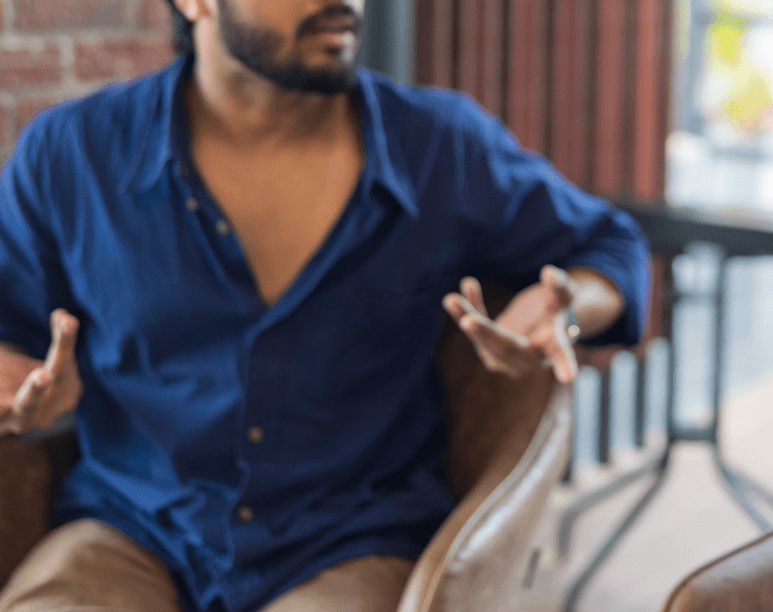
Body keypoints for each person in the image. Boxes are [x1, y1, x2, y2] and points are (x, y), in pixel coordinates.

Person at [0, 0, 649, 610]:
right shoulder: (70, 154)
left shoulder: (440, 145)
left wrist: (564, 311)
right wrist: (21, 390)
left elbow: (612, 243)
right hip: (129, 527)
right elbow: (11, 335)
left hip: (351, 541)